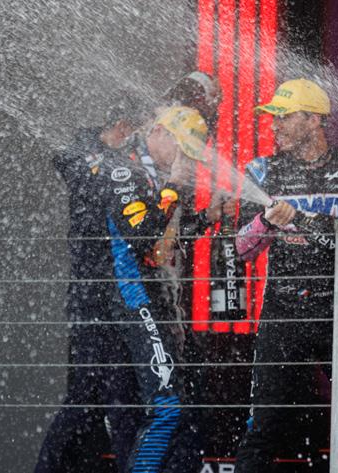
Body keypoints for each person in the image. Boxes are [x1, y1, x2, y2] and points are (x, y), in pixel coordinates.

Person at [41, 104, 228, 473]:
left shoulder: (147, 172)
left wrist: (206, 218)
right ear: (159, 133)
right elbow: (141, 235)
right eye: (184, 150)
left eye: (192, 155)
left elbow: (162, 244)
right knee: (150, 405)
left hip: (135, 303)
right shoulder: (124, 168)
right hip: (124, 300)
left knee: (138, 406)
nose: (187, 161)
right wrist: (174, 186)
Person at [234, 78, 338, 473]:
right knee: (264, 425)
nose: (275, 126)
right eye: (274, 118)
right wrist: (265, 221)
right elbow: (242, 248)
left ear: (313, 120)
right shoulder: (262, 171)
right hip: (282, 311)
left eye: (284, 117)